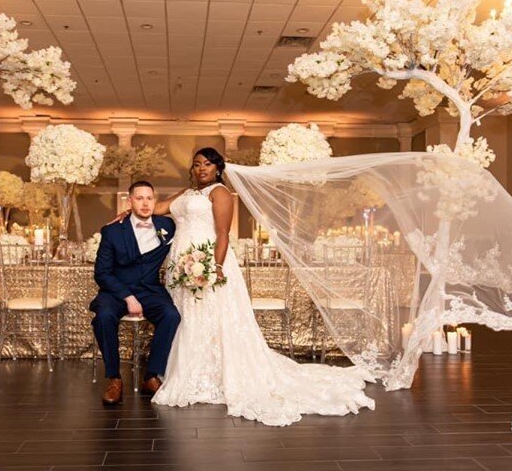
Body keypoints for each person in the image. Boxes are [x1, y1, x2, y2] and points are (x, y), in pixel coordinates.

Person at [113, 148, 376, 426]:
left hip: (207, 261)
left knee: (210, 318)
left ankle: (214, 373)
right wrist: (129, 211)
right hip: (181, 266)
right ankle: (189, 370)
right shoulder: (187, 194)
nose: (201, 168)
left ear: (217, 168)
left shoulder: (220, 193)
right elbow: (159, 207)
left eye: (207, 164)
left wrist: (213, 268)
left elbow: (223, 233)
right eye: (197, 164)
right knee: (187, 317)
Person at [89, 181, 180, 405]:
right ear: (129, 201)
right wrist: (128, 297)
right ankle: (114, 378)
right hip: (116, 290)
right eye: (139, 198)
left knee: (171, 315)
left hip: (150, 289)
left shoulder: (168, 225)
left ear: (155, 201)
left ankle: (152, 374)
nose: (145, 203)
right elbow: (102, 273)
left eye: (149, 198)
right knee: (104, 317)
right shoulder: (112, 231)